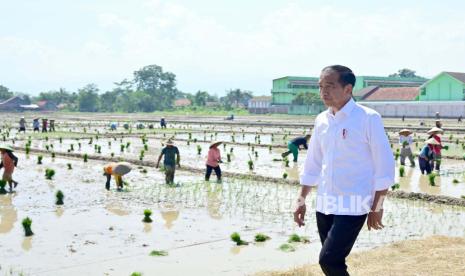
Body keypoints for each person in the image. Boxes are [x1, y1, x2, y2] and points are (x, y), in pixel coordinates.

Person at [294, 65, 394, 276]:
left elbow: (383, 165)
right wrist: (301, 200)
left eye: (329, 86)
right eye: (320, 87)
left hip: (354, 204)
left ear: (348, 89)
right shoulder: (321, 120)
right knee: (334, 263)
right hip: (325, 203)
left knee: (328, 260)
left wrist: (377, 206)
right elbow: (313, 162)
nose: (323, 92)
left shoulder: (368, 118)